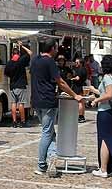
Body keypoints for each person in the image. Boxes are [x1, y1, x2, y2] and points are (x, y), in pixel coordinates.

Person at [31, 40, 82, 178]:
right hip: (48, 101)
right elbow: (60, 82)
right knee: (47, 132)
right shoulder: (50, 62)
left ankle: (52, 156)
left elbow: (31, 55)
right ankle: (41, 165)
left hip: (36, 101)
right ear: (52, 48)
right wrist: (74, 95)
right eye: (56, 49)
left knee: (51, 132)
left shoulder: (35, 60)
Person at [86, 54, 112, 178]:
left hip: (105, 112)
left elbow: (109, 95)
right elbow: (105, 93)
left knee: (104, 139)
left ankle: (103, 169)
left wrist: (95, 101)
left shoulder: (107, 78)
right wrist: (94, 91)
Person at [6, 42, 32, 127]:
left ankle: (14, 122)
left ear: (12, 54)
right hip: (21, 85)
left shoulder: (9, 63)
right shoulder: (21, 60)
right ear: (19, 54)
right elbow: (30, 53)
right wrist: (22, 46)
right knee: (21, 103)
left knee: (13, 103)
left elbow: (6, 73)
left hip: (12, 85)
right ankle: (22, 121)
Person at [71, 57, 89, 124]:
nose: (76, 64)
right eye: (75, 62)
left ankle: (80, 116)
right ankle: (81, 116)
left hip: (78, 86)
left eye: (77, 62)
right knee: (82, 102)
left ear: (81, 63)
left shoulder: (81, 69)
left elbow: (78, 78)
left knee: (80, 102)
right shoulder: (82, 69)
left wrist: (72, 79)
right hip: (80, 86)